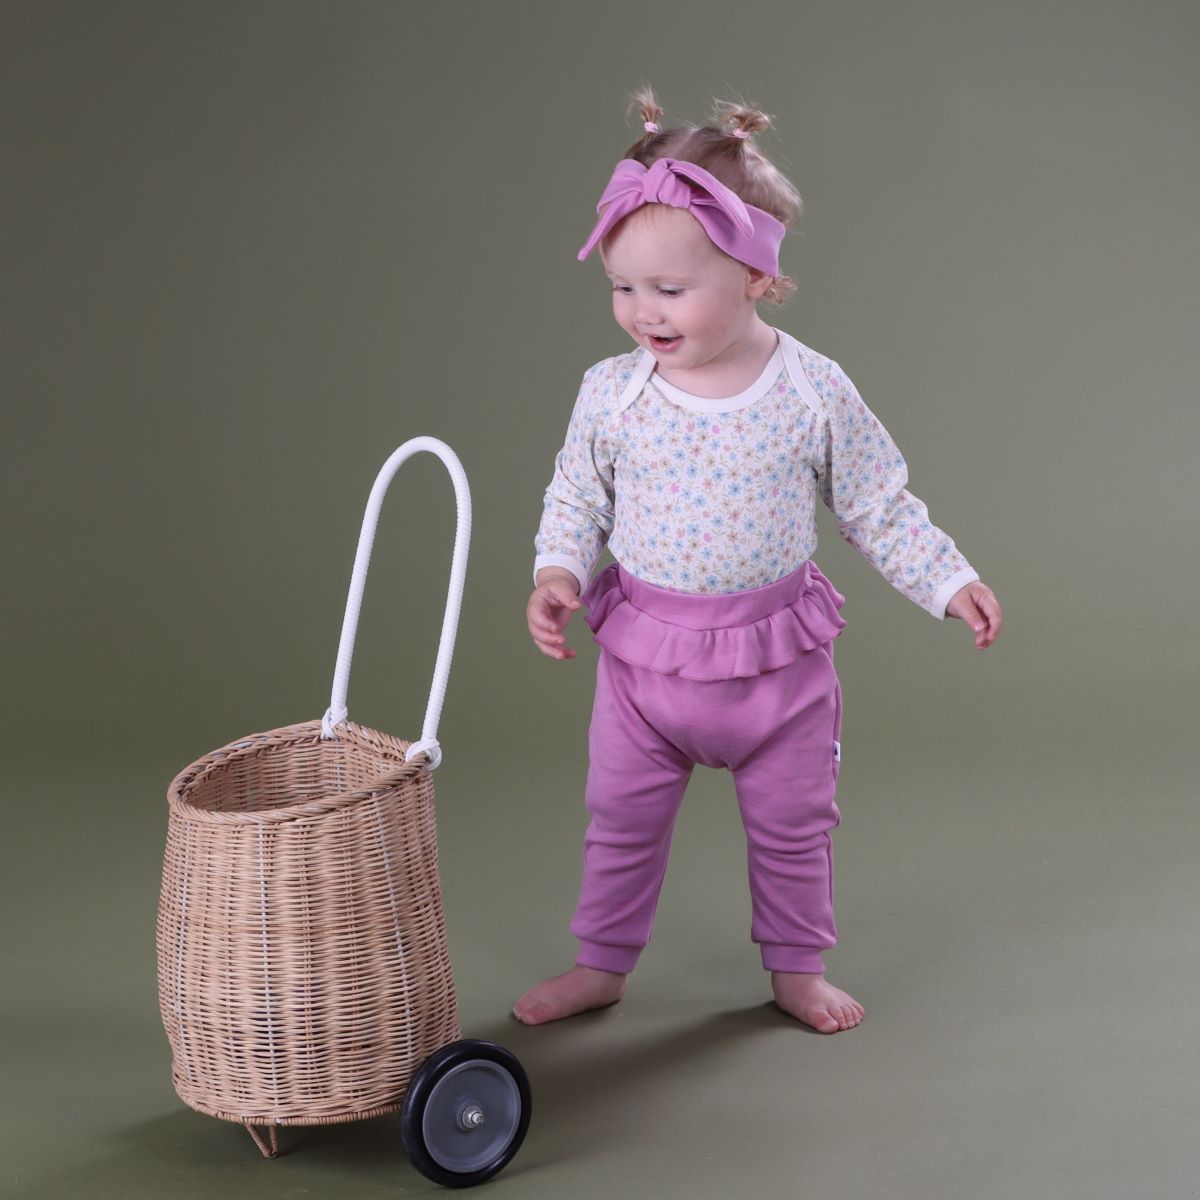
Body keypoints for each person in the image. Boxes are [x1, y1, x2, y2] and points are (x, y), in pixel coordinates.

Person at [513, 87, 1002, 1035]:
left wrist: (947, 578)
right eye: (622, 286)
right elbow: (576, 495)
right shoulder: (612, 393)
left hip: (778, 671)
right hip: (644, 667)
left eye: (670, 289)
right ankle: (601, 963)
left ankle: (795, 968)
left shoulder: (812, 390)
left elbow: (874, 502)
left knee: (794, 829)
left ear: (757, 280)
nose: (640, 312)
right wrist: (557, 575)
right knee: (618, 822)